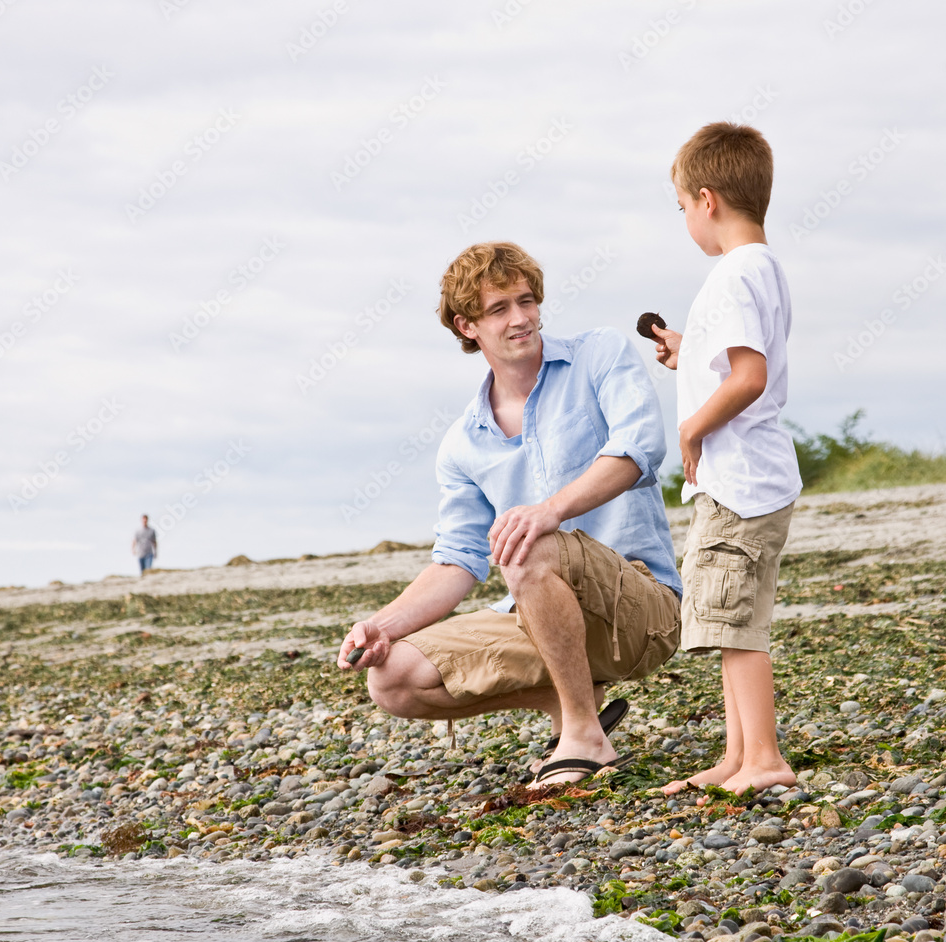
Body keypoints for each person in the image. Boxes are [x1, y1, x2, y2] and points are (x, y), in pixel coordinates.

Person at [338, 241, 682, 786]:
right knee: (392, 680)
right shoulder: (462, 443)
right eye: (499, 309)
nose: (521, 319)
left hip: (641, 609)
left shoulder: (600, 354)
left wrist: (548, 512)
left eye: (526, 301)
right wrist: (381, 627)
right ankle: (574, 708)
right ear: (466, 325)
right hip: (539, 615)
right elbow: (457, 562)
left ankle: (585, 739)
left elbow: (640, 449)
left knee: (528, 541)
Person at [646, 123, 802, 798]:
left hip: (739, 481)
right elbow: (731, 362)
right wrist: (689, 351)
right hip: (750, 476)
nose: (685, 218)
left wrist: (690, 430)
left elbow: (747, 377)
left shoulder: (735, 273)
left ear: (706, 199)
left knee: (737, 623)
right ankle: (739, 753)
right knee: (732, 619)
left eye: (681, 206)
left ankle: (763, 757)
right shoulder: (758, 268)